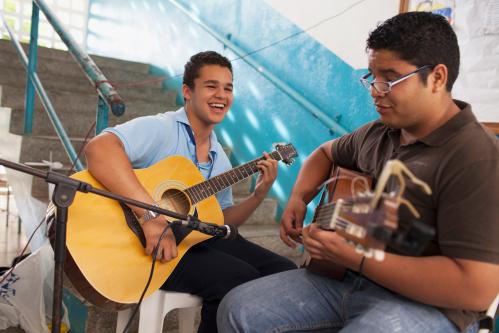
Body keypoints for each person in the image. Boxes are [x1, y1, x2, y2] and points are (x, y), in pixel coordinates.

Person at [217, 12, 499, 333]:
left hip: (427, 306)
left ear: (436, 77)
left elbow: (477, 287)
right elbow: (325, 153)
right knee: (238, 309)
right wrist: (299, 196)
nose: (375, 90)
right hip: (343, 278)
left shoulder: (476, 157)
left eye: (389, 79)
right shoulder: (379, 133)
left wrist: (358, 258)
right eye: (371, 77)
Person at [84, 51, 296, 332]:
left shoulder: (219, 158)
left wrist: (258, 195)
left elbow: (221, 224)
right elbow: (99, 149)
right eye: (211, 86)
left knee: (283, 273)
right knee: (237, 278)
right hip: (142, 246)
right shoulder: (162, 128)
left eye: (228, 88)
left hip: (190, 240)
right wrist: (151, 217)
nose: (221, 95)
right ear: (187, 91)